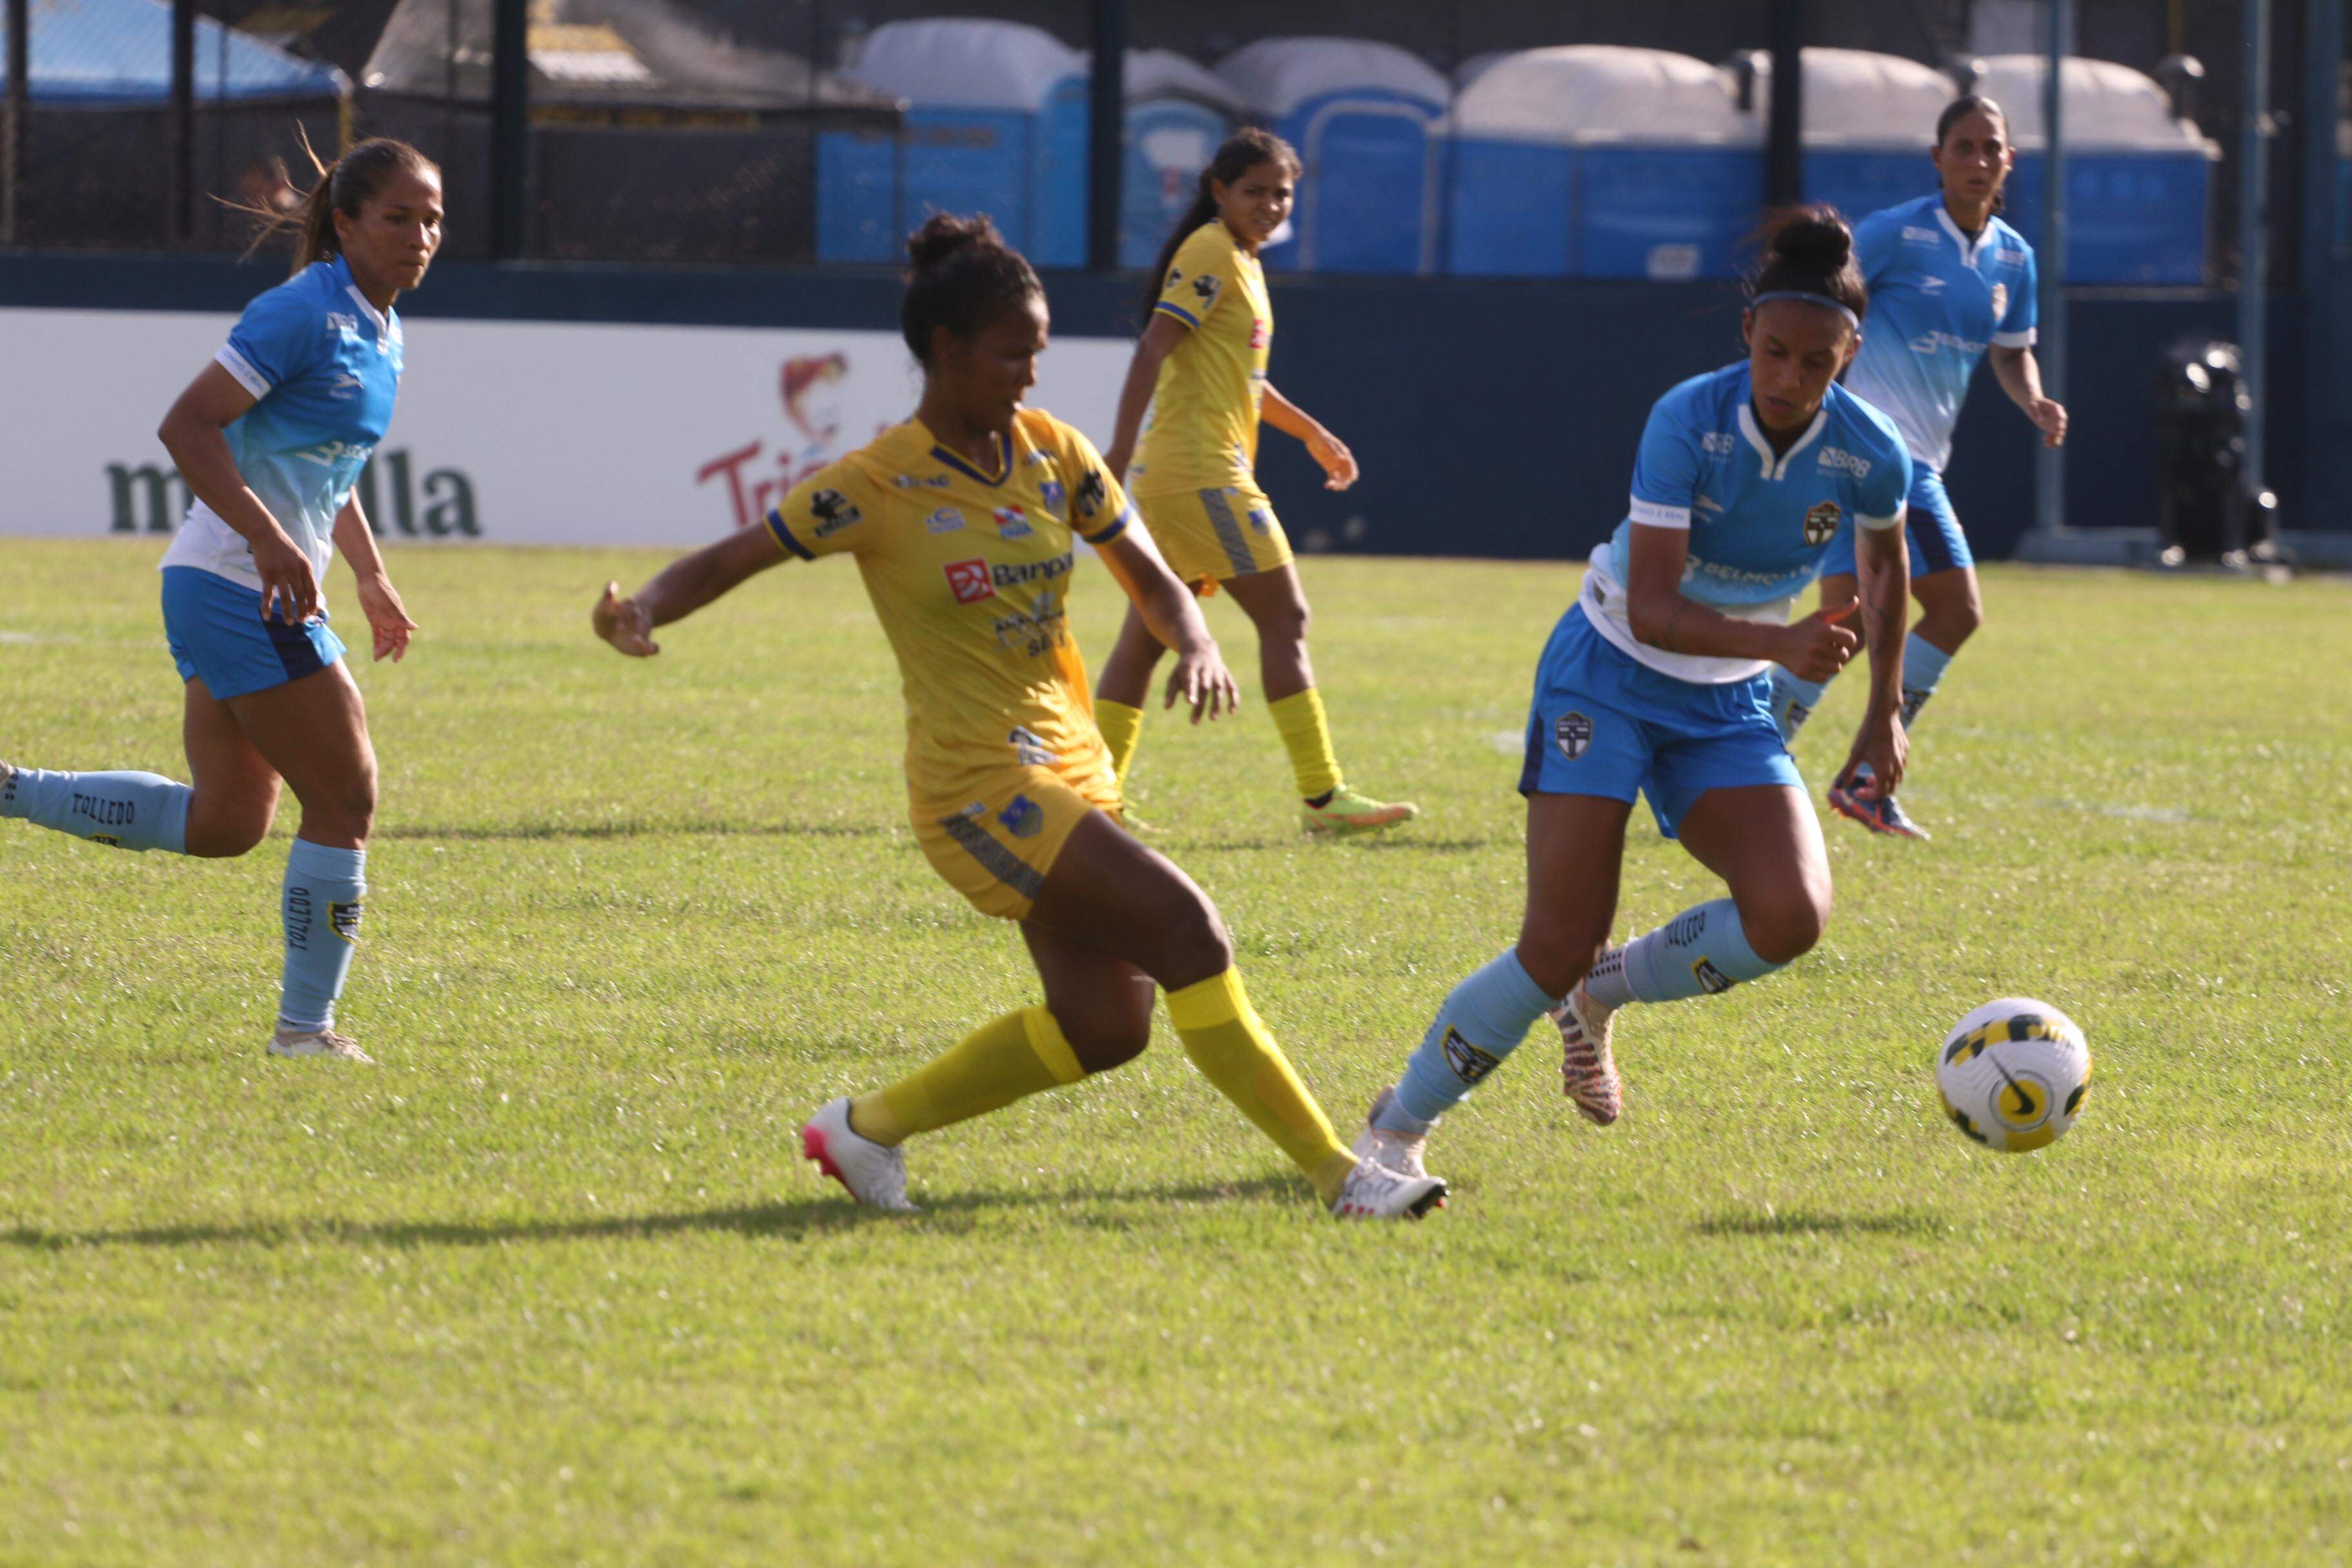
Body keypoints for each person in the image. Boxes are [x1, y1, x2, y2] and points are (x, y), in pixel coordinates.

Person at [591, 214, 1445, 1221]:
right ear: (945, 351)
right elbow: (735, 555)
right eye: (1011, 354)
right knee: (1189, 928)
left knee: (1105, 1027)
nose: (1029, 378)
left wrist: (1201, 640)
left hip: (1075, 769)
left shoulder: (1056, 454)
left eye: (1038, 354)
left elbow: (1154, 579)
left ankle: (862, 1132)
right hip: (976, 789)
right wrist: (645, 606)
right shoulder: (879, 480)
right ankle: (1343, 1179)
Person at [1351, 210, 1912, 1176]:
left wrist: (1883, 707)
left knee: (1790, 918)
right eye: (1774, 352)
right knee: (1554, 943)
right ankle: (1395, 1128)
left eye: (1815, 363)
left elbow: (1882, 569)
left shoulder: (1870, 450)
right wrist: (1784, 642)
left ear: (1850, 354)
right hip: (1607, 673)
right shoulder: (1687, 419)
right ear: (1747, 334)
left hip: (1725, 701)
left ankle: (1605, 991)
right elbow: (1653, 610)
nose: (1788, 379)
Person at [1, 139, 442, 1063]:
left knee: (227, 824)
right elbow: (186, 425)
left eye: (433, 217)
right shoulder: (302, 312)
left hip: (233, 584)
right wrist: (273, 542)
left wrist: (366, 570)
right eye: (399, 217)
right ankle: (305, 1032)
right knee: (348, 796)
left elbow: (333, 468)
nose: (420, 235)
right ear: (349, 221)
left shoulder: (380, 326)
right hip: (240, 585)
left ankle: (9, 791)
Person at [1088, 128, 1418, 838]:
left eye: (1283, 192)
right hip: (1200, 474)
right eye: (1256, 191)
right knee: (1286, 617)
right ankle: (1323, 797)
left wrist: (1311, 433)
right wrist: (1115, 448)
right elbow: (1154, 346)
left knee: (1146, 636)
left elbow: (1245, 381)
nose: (1271, 204)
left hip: (1184, 473)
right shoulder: (1212, 250)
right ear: (1219, 190)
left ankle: (1093, 799)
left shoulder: (1241, 260)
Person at [1769, 95, 2068, 839]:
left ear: (2008, 161)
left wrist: (2033, 399)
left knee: (1846, 625)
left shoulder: (2012, 258)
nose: (1976, 160)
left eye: (1989, 148)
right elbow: (1820, 302)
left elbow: (2011, 347)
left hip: (1907, 457)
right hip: (1879, 452)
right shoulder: (1895, 234)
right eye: (1961, 147)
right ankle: (1867, 776)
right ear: (1937, 159)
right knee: (1957, 609)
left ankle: (1738, 757)